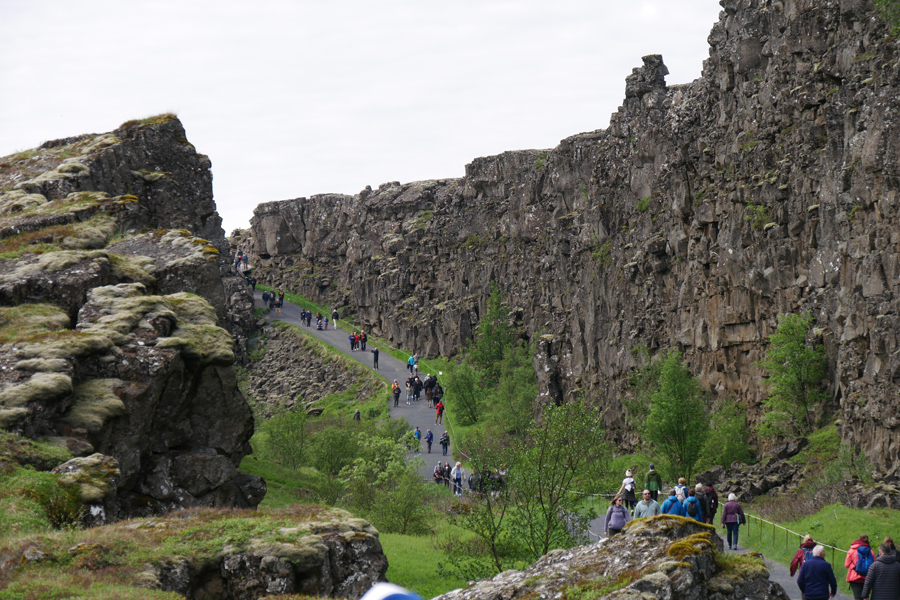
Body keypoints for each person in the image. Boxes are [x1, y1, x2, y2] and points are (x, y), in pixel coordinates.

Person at [846, 535, 874, 600]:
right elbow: (874, 565)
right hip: (868, 578)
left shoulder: (852, 550)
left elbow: (846, 565)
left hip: (855, 578)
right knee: (866, 597)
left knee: (857, 598)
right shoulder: (870, 552)